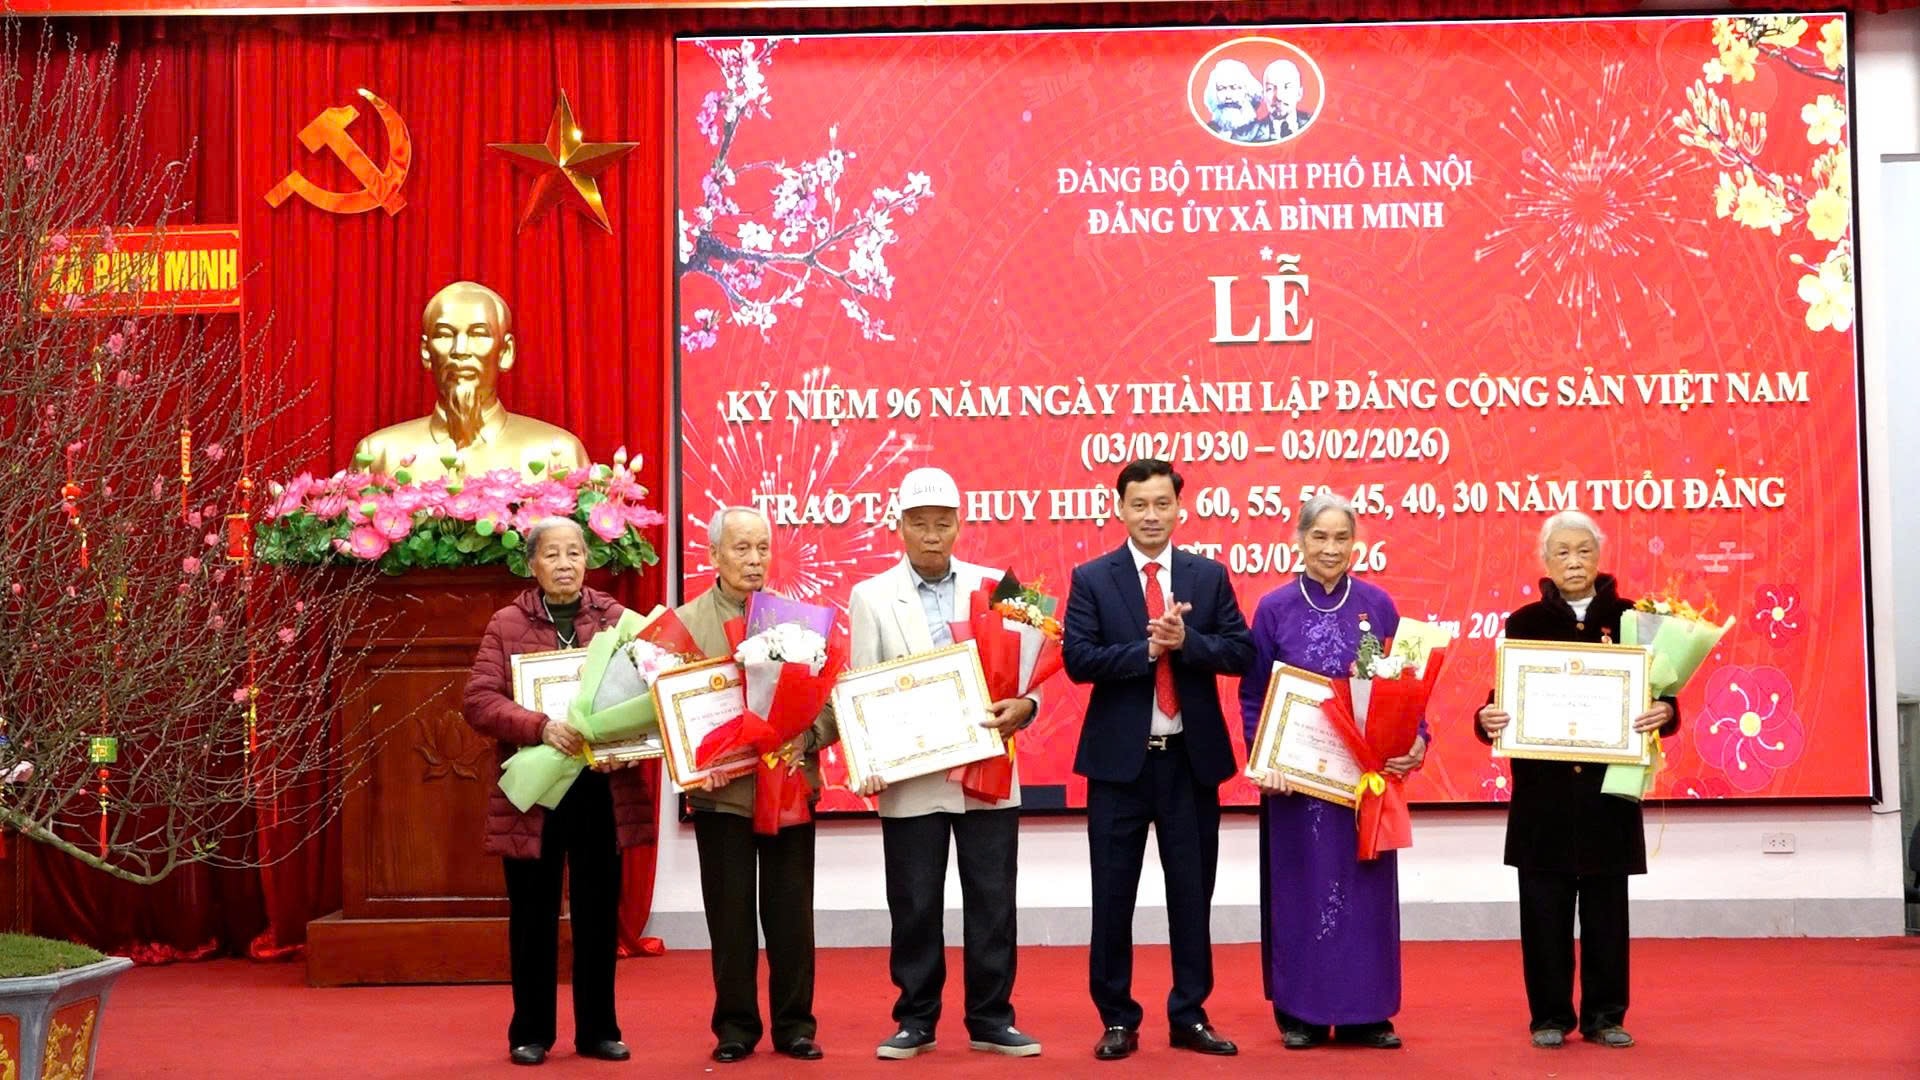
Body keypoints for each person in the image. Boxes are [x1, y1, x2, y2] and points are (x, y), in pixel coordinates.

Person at [846, 467, 1043, 1060]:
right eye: (918, 523)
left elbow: (1039, 664)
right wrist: (866, 758)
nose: (931, 535)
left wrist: (1027, 705)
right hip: (911, 777)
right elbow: (860, 687)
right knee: (914, 902)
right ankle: (915, 1019)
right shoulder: (870, 595)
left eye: (942, 523)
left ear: (960, 524)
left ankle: (992, 1018)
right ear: (899, 526)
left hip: (987, 768)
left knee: (993, 899)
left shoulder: (1003, 585)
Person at [1062, 458, 1253, 1061]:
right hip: (1119, 767)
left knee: (1192, 895)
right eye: (1140, 504)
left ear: (1179, 509)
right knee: (1112, 896)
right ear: (1119, 509)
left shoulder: (1207, 576)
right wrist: (1146, 650)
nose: (1151, 515)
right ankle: (1117, 1018)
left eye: (1162, 503)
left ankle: (1189, 1014)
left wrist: (1187, 643)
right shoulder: (1092, 578)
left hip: (1189, 764)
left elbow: (1241, 651)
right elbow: (1078, 660)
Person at [1473, 511, 1680, 1050]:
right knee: (1543, 911)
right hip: (1543, 798)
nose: (1573, 561)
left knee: (1608, 913)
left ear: (1599, 556)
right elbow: (1503, 696)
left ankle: (1606, 1016)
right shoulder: (1523, 622)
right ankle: (1548, 1016)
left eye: (1583, 550)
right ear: (1545, 561)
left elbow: (1662, 694)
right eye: (1562, 552)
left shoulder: (1632, 618)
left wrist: (1666, 711)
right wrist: (1485, 718)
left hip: (1609, 794)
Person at [1237, 493, 1427, 1050]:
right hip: (1297, 787)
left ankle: (1369, 1013)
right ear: (1299, 540)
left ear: (1355, 543)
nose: (1330, 548)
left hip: (1363, 785)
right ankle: (1301, 1014)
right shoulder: (1273, 608)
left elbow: (1405, 684)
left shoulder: (1378, 604)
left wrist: (1417, 738)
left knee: (1366, 892)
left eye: (1341, 537)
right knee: (1298, 891)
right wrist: (1265, 759)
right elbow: (1253, 695)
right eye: (1319, 536)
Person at [462, 516, 651, 1067]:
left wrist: (629, 736)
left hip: (601, 787)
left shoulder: (617, 620)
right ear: (532, 565)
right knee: (532, 915)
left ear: (587, 560)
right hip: (536, 791)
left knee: (598, 914)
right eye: (552, 554)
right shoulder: (506, 624)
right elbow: (479, 701)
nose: (565, 564)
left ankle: (598, 1030)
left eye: (574, 553)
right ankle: (530, 1032)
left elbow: (651, 686)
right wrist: (540, 726)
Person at [676, 506, 833, 1064]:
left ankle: (795, 1026)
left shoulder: (800, 622)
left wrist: (806, 737)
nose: (753, 559)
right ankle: (735, 1027)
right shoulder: (684, 623)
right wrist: (699, 761)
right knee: (730, 916)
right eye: (741, 548)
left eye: (762, 548)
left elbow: (831, 701)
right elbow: (669, 711)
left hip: (788, 785)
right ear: (713, 554)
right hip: (722, 795)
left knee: (792, 916)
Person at [354, 280, 589, 480]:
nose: (460, 350)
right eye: (444, 335)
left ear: (506, 351)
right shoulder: (379, 455)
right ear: (426, 351)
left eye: (478, 334)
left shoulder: (559, 456)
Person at [1202, 59, 1274, 144]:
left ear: (1248, 92)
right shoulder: (1206, 131)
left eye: (1234, 88)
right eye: (1221, 88)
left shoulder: (1262, 132)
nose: (1228, 96)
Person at [1262, 59, 1313, 138]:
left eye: (1287, 87)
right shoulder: (1250, 135)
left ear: (1299, 93)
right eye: (1270, 88)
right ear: (1264, 95)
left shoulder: (1314, 123)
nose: (1279, 96)